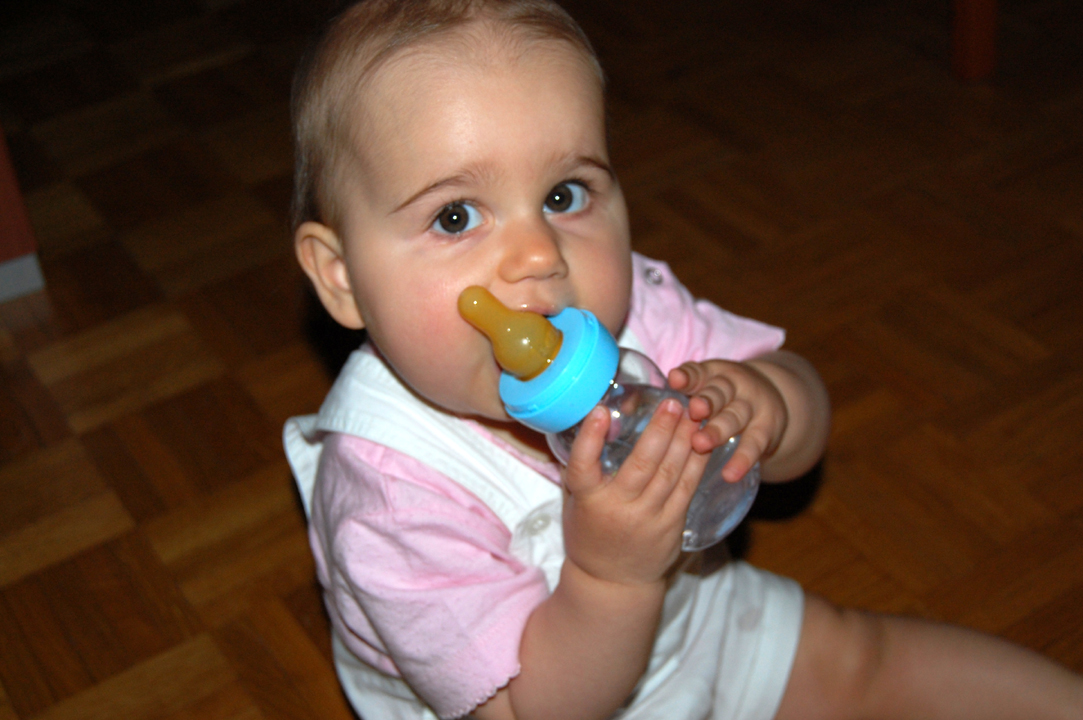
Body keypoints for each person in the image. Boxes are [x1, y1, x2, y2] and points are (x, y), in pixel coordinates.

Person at [283, 1, 1083, 718]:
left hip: (694, 619)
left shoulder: (628, 313)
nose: (539, 255)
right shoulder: (389, 491)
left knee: (861, 660)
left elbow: (800, 431)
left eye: (563, 196)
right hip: (553, 688)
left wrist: (767, 404)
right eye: (456, 216)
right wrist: (611, 578)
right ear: (342, 277)